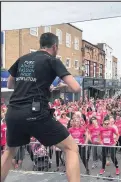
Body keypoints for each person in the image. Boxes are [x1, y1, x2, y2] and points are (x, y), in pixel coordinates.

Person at [1, 33, 81, 182]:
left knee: (9, 152)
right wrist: (62, 87)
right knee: (71, 148)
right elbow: (76, 88)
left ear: (40, 44)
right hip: (35, 113)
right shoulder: (52, 60)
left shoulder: (22, 59)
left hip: (13, 112)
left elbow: (10, 84)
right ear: (55, 46)